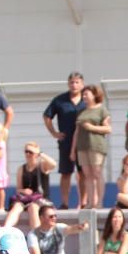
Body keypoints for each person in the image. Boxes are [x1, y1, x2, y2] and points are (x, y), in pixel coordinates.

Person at [43, 72, 85, 208]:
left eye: (77, 82)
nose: (74, 85)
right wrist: (54, 133)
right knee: (66, 173)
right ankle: (65, 203)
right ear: (68, 84)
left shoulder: (87, 98)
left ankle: (83, 203)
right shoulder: (60, 100)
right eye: (72, 82)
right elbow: (47, 116)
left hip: (84, 142)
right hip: (66, 142)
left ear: (82, 84)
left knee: (83, 172)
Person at [71, 84, 111, 209]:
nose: (84, 96)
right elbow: (76, 132)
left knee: (97, 173)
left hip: (96, 146)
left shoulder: (101, 109)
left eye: (86, 94)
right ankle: (90, 202)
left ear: (94, 95)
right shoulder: (81, 111)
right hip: (82, 146)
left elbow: (108, 128)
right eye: (83, 94)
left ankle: (99, 202)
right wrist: (73, 150)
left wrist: (92, 128)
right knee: (87, 175)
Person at [4, 143, 55, 229]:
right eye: (26, 151)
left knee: (33, 207)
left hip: (41, 199)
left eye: (30, 152)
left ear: (36, 154)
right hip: (26, 199)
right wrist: (23, 191)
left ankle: (37, 235)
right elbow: (18, 189)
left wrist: (40, 153)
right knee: (16, 207)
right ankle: (5, 229)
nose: (28, 154)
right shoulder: (21, 169)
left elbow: (53, 165)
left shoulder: (42, 166)